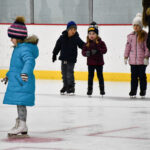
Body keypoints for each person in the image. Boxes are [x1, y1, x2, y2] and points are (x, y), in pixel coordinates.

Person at [2, 16, 39, 136]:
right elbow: (15, 67)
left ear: (18, 38)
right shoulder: (18, 48)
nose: (11, 40)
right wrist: (8, 75)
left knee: (21, 103)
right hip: (18, 80)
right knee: (19, 103)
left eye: (12, 37)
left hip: (23, 81)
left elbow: (30, 61)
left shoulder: (24, 49)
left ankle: (22, 124)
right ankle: (21, 124)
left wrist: (25, 72)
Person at [52, 21, 85, 95]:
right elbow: (57, 46)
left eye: (75, 29)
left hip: (71, 59)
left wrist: (88, 48)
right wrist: (54, 54)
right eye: (71, 29)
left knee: (69, 73)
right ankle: (65, 86)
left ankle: (71, 87)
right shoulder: (62, 37)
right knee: (63, 73)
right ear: (68, 29)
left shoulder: (76, 38)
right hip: (63, 58)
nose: (73, 31)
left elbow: (82, 45)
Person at [124, 13, 149, 98]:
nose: (135, 27)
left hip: (142, 60)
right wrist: (125, 56)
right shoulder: (130, 36)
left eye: (137, 25)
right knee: (133, 77)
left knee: (142, 76)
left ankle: (143, 90)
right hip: (133, 61)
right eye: (134, 25)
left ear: (141, 26)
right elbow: (127, 47)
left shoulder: (145, 36)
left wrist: (146, 57)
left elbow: (147, 48)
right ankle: (133, 91)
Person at [82, 22, 107, 96]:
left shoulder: (101, 42)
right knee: (90, 77)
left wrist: (98, 50)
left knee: (100, 77)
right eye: (90, 34)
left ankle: (102, 90)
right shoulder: (87, 44)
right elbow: (83, 52)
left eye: (93, 33)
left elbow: (105, 50)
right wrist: (87, 53)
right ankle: (89, 90)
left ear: (97, 34)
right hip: (90, 63)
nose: (91, 35)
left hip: (99, 63)